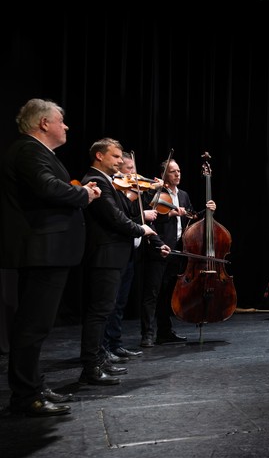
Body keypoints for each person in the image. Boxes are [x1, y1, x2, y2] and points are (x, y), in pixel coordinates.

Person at [0, 99, 101, 416]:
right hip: (42, 251)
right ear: (44, 123)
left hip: (47, 252)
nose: (66, 126)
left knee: (38, 325)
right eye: (61, 120)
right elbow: (48, 188)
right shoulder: (29, 150)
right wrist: (84, 194)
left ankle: (33, 386)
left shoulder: (36, 152)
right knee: (33, 326)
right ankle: (25, 396)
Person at [79, 138, 166, 386]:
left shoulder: (107, 181)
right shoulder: (95, 180)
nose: (120, 161)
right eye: (116, 156)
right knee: (99, 312)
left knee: (105, 310)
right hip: (105, 256)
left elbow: (124, 213)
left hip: (114, 255)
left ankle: (100, 359)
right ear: (99, 156)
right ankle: (91, 367)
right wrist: (141, 229)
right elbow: (115, 218)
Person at [140, 158, 212, 347]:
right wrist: (170, 214)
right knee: (152, 294)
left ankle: (165, 332)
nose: (177, 174)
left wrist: (207, 210)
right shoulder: (156, 193)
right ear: (164, 175)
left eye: (178, 171)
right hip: (159, 248)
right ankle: (147, 334)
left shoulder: (183, 195)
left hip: (178, 250)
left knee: (168, 294)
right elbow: (148, 219)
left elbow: (191, 216)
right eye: (173, 171)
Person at [102, 152, 159, 359]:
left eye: (134, 169)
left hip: (130, 253)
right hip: (114, 253)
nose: (134, 175)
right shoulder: (116, 191)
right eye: (129, 169)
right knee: (110, 304)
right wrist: (142, 214)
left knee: (120, 304)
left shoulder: (134, 193)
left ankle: (115, 344)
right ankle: (104, 348)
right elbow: (121, 219)